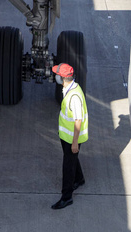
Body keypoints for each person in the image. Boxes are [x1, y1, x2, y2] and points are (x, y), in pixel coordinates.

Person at [51, 63, 88, 209]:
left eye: (57, 74)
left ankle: (66, 197)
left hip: (72, 137)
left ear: (63, 78)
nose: (55, 77)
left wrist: (74, 143)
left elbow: (78, 120)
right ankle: (79, 179)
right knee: (72, 159)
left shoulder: (74, 96)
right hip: (66, 135)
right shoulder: (68, 88)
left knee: (67, 166)